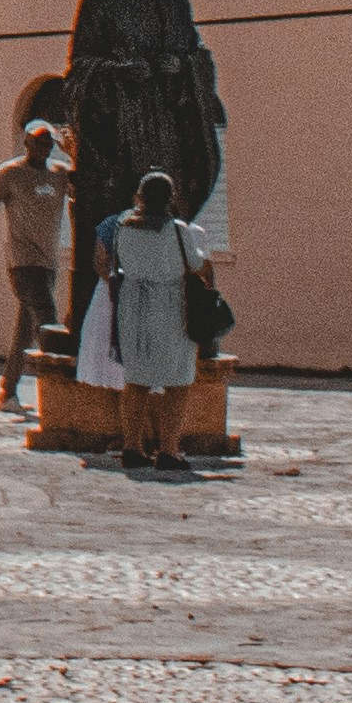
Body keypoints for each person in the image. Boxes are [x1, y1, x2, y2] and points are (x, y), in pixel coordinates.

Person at [0, 122, 75, 416]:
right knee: (47, 321)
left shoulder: (59, 174)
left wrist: (73, 152)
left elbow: (83, 185)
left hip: (47, 261)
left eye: (49, 144)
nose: (44, 149)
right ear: (26, 142)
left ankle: (8, 390)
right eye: (38, 143)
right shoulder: (8, 174)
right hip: (22, 261)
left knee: (24, 330)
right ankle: (56, 399)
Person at [99, 169, 201, 475]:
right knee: (177, 380)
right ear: (170, 197)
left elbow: (116, 264)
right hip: (170, 307)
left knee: (137, 379)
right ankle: (168, 448)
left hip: (134, 304)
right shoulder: (179, 230)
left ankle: (133, 446)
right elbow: (194, 264)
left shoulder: (123, 228)